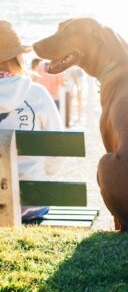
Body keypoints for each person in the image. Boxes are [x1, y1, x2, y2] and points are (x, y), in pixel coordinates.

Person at [0, 21, 64, 220]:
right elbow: (58, 148)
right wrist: (44, 173)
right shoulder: (36, 94)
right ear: (18, 57)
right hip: (31, 203)